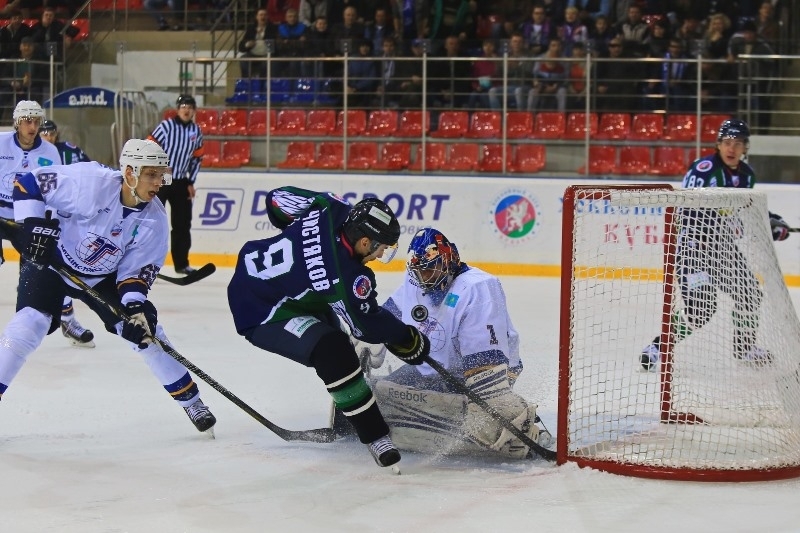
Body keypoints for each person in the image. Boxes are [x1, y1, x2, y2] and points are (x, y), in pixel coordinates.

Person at [1, 138, 216, 435]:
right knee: (29, 324)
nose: (158, 183)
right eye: (151, 174)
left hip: (103, 277)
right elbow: (28, 183)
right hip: (53, 264)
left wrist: (136, 308)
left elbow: (134, 274)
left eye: (161, 175)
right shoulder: (90, 182)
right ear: (129, 173)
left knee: (147, 334)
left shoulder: (154, 220)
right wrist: (32, 226)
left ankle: (192, 402)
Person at [226, 188, 431, 468]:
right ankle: (375, 436)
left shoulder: (330, 205)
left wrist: (297, 238)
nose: (380, 254)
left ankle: (350, 408)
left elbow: (276, 199)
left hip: (277, 281)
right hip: (262, 311)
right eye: (381, 248)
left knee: (338, 342)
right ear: (364, 241)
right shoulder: (346, 277)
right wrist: (407, 339)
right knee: (333, 350)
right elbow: (366, 326)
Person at [358, 228, 543, 459]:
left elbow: (485, 363)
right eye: (419, 272)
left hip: (485, 374)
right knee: (377, 397)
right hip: (435, 371)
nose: (424, 278)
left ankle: (518, 432)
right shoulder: (416, 278)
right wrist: (368, 335)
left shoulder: (477, 287)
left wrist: (488, 404)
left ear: (448, 261)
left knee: (485, 423)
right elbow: (387, 315)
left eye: (429, 269)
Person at [640, 119, 791, 370]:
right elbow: (688, 209)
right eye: (727, 142)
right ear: (718, 144)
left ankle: (744, 348)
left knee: (749, 293)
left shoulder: (746, 175)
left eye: (738, 143)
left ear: (745, 147)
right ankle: (659, 346)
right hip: (694, 249)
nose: (732, 148)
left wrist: (771, 222)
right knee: (701, 310)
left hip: (722, 249)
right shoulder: (704, 169)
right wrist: (725, 222)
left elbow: (749, 209)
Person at [0, 100, 94, 349]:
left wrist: (55, 223)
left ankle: (67, 320)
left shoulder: (50, 152)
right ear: (17, 123)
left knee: (45, 271)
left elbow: (56, 191)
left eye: (36, 122)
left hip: (28, 219)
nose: (32, 127)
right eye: (27, 121)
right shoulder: (1, 143)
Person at [38, 118, 96, 347]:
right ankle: (64, 319)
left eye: (50, 133)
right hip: (36, 218)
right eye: (43, 133)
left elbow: (92, 172)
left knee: (62, 269)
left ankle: (67, 320)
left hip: (66, 220)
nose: (47, 137)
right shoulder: (30, 154)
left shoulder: (70, 151)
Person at [147, 94, 204, 276]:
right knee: (152, 221)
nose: (186, 110)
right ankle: (145, 262)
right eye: (183, 106)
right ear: (178, 109)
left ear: (194, 111)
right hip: (161, 179)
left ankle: (181, 264)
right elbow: (149, 146)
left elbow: (197, 158)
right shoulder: (166, 126)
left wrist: (191, 181)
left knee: (182, 224)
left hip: (181, 181)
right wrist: (154, 171)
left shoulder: (196, 131)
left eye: (190, 107)